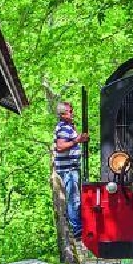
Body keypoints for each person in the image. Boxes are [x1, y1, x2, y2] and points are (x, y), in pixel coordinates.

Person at [53, 100, 88, 239]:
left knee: (75, 198)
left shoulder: (67, 126)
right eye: (70, 111)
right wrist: (76, 141)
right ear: (62, 114)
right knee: (74, 199)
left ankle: (78, 227)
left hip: (71, 168)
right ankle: (78, 230)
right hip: (68, 169)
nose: (72, 113)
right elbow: (60, 146)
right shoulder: (63, 127)